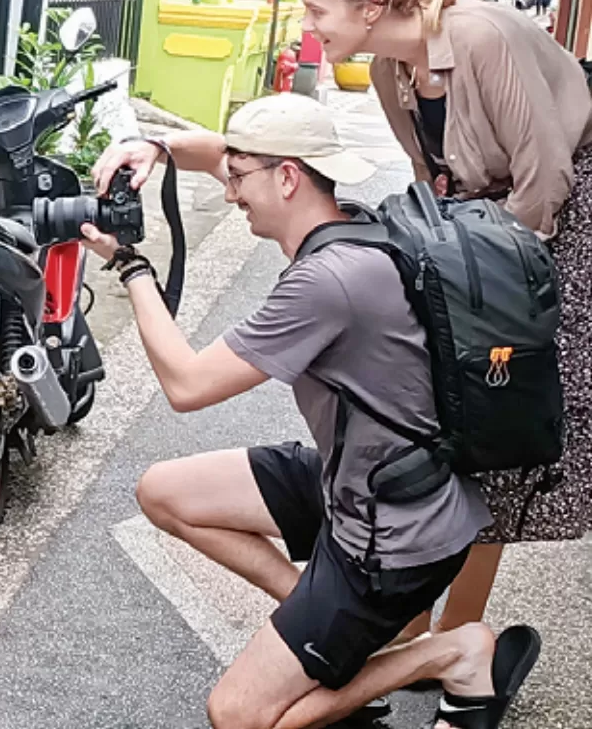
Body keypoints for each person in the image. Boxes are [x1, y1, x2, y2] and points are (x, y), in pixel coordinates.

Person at [84, 94, 540, 729]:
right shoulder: (344, 221)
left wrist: (132, 268)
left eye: (241, 181)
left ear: (289, 177)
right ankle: (322, 624)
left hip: (391, 535)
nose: (231, 192)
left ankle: (447, 653)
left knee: (239, 717)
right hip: (359, 481)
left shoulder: (327, 282)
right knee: (163, 492)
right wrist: (157, 149)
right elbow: (225, 157)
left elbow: (186, 386)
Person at [300, 0, 592, 646]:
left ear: (372, 6)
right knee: (454, 420)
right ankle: (423, 634)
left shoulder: (481, 36)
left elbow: (547, 180)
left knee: (507, 423)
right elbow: (434, 176)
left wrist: (484, 283)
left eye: (316, 11)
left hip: (561, 227)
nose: (307, 27)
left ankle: (457, 641)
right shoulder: (386, 73)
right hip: (488, 238)